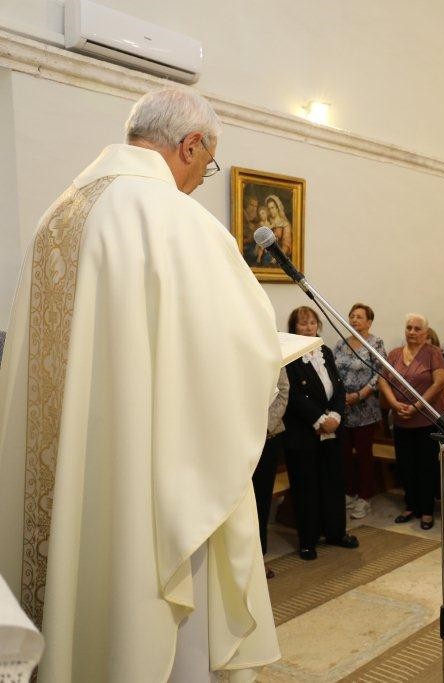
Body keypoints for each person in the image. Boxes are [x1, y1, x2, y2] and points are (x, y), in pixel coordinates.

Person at [0, 87, 280, 680]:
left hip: (72, 461)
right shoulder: (176, 219)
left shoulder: (59, 215)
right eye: (208, 163)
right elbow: (233, 348)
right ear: (190, 145)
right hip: (148, 471)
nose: (202, 177)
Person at [283, 306, 359, 560]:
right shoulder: (287, 356)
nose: (308, 328)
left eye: (312, 323)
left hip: (332, 429)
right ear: (294, 328)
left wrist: (335, 415)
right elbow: (292, 394)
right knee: (306, 487)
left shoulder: (325, 351)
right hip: (303, 432)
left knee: (333, 483)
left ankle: (336, 532)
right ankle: (308, 540)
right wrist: (319, 419)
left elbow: (338, 386)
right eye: (303, 324)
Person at [378, 314, 444, 530]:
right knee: (406, 465)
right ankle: (410, 506)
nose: (412, 332)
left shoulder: (433, 353)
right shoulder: (395, 354)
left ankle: (426, 510)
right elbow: (383, 380)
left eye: (417, 328)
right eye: (409, 327)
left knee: (426, 466)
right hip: (401, 420)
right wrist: (394, 404)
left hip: (427, 421)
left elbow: (440, 382)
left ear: (425, 332)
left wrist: (418, 406)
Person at [333, 303, 387, 520]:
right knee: (344, 454)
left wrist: (360, 395)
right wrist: (340, 396)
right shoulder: (340, 342)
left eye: (359, 317)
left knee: (364, 455)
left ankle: (364, 497)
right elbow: (332, 370)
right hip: (343, 408)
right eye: (352, 316)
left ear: (369, 322)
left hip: (365, 408)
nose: (354, 320)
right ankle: (349, 492)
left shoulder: (375, 343)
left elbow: (380, 373)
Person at [251, 368, 289, 578]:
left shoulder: (274, 353)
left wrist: (263, 428)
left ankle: (259, 557)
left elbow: (283, 390)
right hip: (236, 437)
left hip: (268, 435)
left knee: (260, 500)